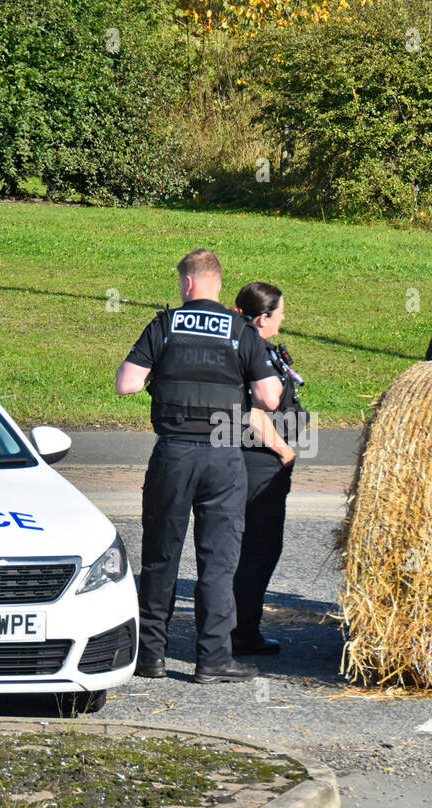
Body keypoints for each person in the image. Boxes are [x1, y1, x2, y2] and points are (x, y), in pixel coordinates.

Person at [115, 249, 282, 684]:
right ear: (218, 285)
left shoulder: (165, 326)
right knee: (218, 560)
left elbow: (127, 384)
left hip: (173, 453)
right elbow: (269, 398)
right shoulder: (241, 332)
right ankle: (212, 660)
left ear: (188, 284)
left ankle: (151, 655)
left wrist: (159, 374)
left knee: (160, 555)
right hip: (224, 457)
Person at [230, 282, 304, 656]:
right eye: (280, 313)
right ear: (263, 318)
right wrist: (284, 451)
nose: (284, 318)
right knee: (258, 549)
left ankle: (238, 627)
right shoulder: (252, 350)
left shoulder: (245, 344)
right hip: (258, 461)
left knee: (249, 549)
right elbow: (253, 413)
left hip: (256, 459)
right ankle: (242, 633)